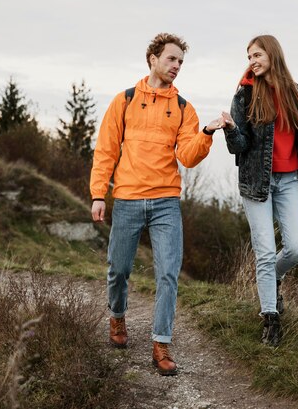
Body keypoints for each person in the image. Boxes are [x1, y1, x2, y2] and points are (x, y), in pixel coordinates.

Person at [90, 33, 223, 375]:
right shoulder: (125, 100)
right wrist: (97, 194)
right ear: (152, 58)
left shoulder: (183, 109)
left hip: (166, 200)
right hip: (128, 197)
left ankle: (161, 343)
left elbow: (187, 156)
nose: (177, 66)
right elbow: (106, 149)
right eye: (171, 59)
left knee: (167, 273)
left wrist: (205, 134)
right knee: (118, 269)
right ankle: (117, 318)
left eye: (181, 61)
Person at [221, 35, 298, 347]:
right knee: (265, 252)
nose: (252, 60)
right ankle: (271, 318)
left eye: (257, 54)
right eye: (249, 56)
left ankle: (272, 278)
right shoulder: (245, 94)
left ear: (272, 54)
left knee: (296, 248)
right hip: (256, 182)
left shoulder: (294, 92)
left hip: (289, 181)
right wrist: (229, 130)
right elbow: (240, 146)